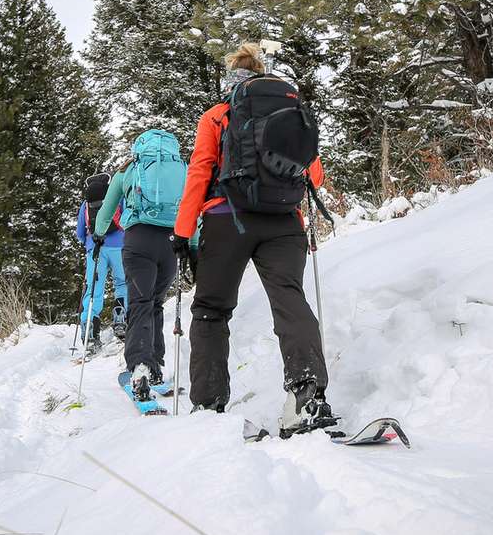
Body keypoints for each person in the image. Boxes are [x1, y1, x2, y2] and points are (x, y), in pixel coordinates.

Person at [171, 42, 330, 436]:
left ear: (232, 81)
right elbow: (315, 175)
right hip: (284, 221)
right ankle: (307, 398)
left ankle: (208, 409)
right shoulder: (289, 115)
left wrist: (183, 230)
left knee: (211, 309)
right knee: (290, 300)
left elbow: (199, 171)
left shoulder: (217, 116)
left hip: (228, 219)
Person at [91, 129, 186, 401]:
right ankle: (156, 364)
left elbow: (107, 211)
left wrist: (98, 235)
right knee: (155, 303)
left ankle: (140, 367)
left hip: (138, 241)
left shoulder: (128, 170)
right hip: (170, 242)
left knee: (140, 303)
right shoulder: (182, 168)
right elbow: (193, 209)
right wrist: (191, 246)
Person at [76, 173, 127, 350]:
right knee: (122, 283)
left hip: (95, 249)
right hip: (119, 246)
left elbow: (80, 232)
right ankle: (121, 319)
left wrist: (89, 244)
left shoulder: (86, 204)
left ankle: (89, 329)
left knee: (93, 289)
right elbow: (126, 219)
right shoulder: (117, 196)